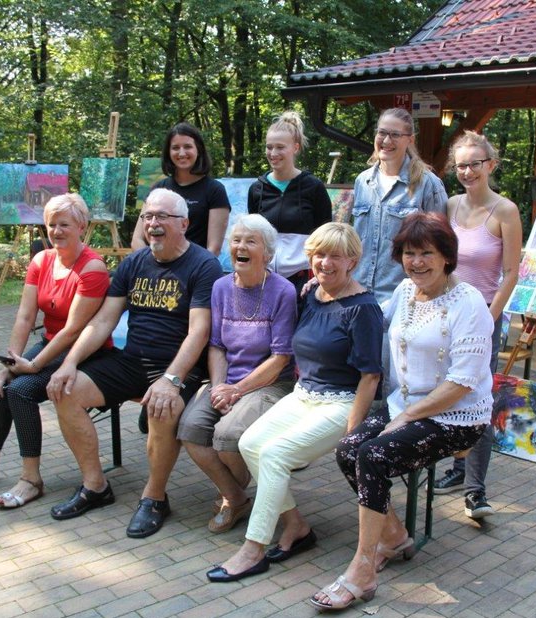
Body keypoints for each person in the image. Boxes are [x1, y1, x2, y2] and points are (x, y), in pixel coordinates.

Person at [310, 213, 493, 610]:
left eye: (427, 253)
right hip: (406, 406)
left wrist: (408, 417)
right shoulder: (406, 293)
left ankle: (362, 570)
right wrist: (330, 285)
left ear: (447, 256)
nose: (417, 262)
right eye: (409, 253)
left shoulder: (470, 303)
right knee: (348, 448)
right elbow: (374, 317)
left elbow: (462, 382)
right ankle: (393, 537)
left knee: (372, 456)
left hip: (455, 417)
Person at [207, 223, 382, 583]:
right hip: (305, 394)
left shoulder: (363, 308)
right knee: (250, 443)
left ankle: (253, 549)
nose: (325, 262)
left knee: (275, 454)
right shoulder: (312, 294)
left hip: (341, 403)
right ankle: (297, 526)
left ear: (353, 261)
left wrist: (352, 431)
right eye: (319, 254)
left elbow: (371, 376)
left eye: (335, 255)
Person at [45, 188, 223, 536]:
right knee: (66, 391)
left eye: (161, 217)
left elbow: (199, 332)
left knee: (162, 407)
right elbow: (102, 321)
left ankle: (154, 497)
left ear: (184, 224)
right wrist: (70, 362)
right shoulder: (133, 263)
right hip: (132, 362)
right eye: (147, 217)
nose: (153, 224)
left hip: (179, 366)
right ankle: (95, 486)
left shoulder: (203, 265)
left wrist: (171, 379)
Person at [0, 193, 108, 508]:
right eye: (51, 224)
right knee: (3, 384)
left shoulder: (93, 267)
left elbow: (73, 329)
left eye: (64, 224)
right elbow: (25, 317)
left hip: (82, 350)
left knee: (19, 390)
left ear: (82, 227)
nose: (56, 231)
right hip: (51, 343)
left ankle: (31, 480)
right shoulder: (41, 260)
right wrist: (11, 362)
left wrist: (33, 365)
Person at [178, 214, 297, 534]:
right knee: (189, 427)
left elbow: (280, 357)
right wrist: (219, 387)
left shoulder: (283, 291)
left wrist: (238, 390)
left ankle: (239, 495)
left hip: (271, 382)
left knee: (228, 436)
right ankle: (236, 496)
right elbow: (216, 346)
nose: (240, 247)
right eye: (236, 240)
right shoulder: (220, 287)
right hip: (226, 379)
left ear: (268, 254)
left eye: (250, 241)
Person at [430, 130, 522, 520]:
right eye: (461, 165)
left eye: (475, 164)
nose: (467, 171)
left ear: (491, 166)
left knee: (478, 398)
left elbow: (512, 272)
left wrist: (488, 319)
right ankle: (455, 467)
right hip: (447, 314)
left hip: (484, 314)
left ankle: (476, 492)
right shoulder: (450, 206)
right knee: (446, 393)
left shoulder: (505, 211)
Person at [352, 107, 448, 303]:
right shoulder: (363, 181)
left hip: (404, 298)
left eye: (395, 134)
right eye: (382, 133)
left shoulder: (428, 184)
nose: (386, 141)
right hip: (358, 293)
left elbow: (441, 248)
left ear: (410, 140)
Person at [248, 110, 332, 294]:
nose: (273, 153)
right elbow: (251, 236)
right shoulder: (257, 189)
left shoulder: (314, 187)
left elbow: (326, 237)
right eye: (269, 147)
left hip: (303, 280)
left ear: (295, 147)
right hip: (264, 279)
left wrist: (319, 277)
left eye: (280, 147)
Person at [131, 122, 230, 256]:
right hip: (156, 268)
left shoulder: (215, 190)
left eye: (188, 146)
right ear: (168, 152)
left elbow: (213, 249)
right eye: (175, 147)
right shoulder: (158, 188)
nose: (181, 153)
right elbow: (137, 240)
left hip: (195, 270)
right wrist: (152, 264)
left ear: (198, 150)